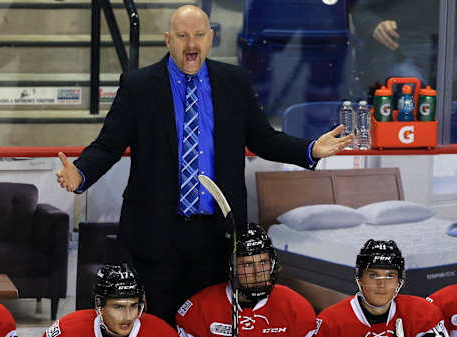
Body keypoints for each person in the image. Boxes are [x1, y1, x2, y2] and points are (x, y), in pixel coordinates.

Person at [55, 4, 352, 324]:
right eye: (183, 36)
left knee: (209, 325)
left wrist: (310, 149)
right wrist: (81, 172)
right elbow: (109, 144)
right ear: (168, 40)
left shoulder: (233, 82)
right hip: (154, 235)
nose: (191, 45)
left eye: (198, 35)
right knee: (157, 326)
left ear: (211, 38)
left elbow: (264, 139)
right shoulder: (139, 86)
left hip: (216, 239)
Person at [175, 223, 317, 337]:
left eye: (263, 262)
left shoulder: (295, 308)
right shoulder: (199, 309)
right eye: (247, 264)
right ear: (231, 267)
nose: (257, 273)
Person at [315, 239, 449, 337]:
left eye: (390, 276)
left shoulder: (423, 313)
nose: (382, 284)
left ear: (400, 282)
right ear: (359, 279)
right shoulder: (331, 323)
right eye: (373, 275)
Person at [43, 263, 178, 337]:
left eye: (133, 306)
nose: (128, 316)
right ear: (99, 305)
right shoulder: (67, 331)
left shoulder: (162, 332)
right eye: (118, 307)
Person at [351, 1, 439, 97]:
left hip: (445, 47)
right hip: (398, 47)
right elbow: (361, 12)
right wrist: (375, 24)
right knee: (409, 90)